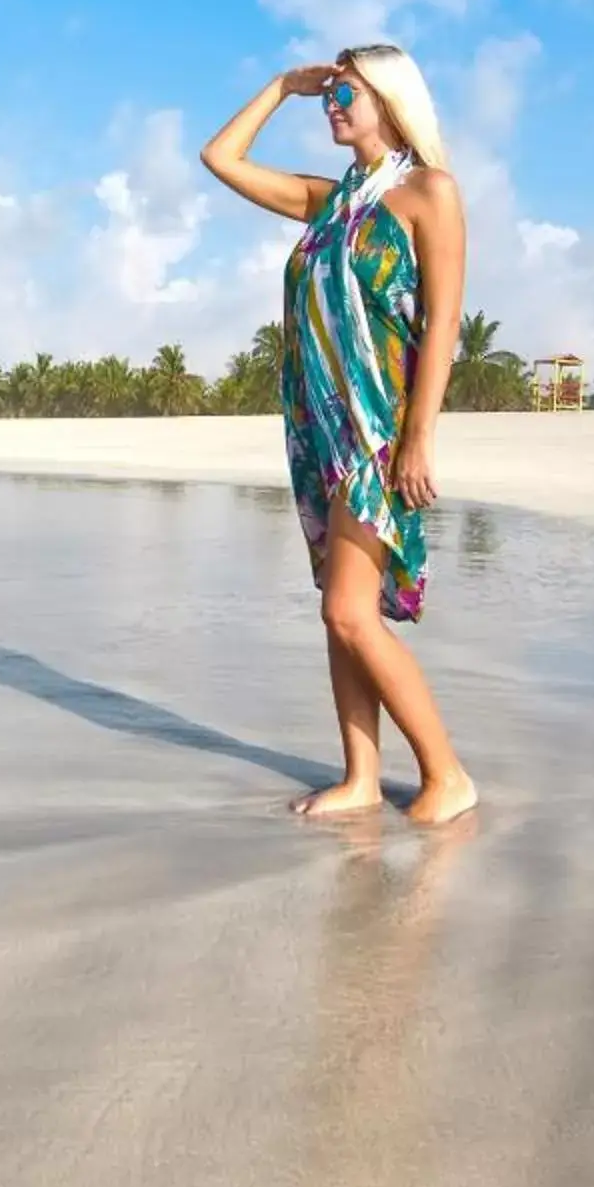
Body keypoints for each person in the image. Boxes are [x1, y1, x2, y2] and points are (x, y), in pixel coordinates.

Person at [201, 45, 478, 827]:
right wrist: (283, 87)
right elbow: (219, 157)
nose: (333, 104)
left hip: (376, 430)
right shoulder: (332, 204)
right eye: (330, 93)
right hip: (319, 430)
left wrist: (419, 435)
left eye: (346, 92)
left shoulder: (430, 192)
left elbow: (444, 321)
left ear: (390, 98)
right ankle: (361, 777)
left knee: (349, 615)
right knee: (337, 608)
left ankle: (447, 774)